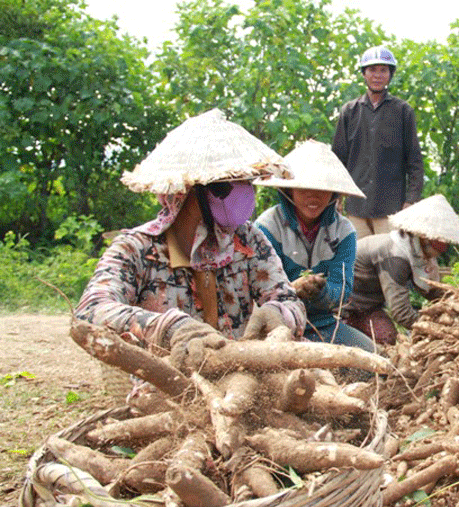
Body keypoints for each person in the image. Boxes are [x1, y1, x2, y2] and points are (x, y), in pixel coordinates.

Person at [74, 108, 307, 372]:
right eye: (227, 183)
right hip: (168, 381)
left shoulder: (248, 239)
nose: (244, 192)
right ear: (186, 191)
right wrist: (168, 328)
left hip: (243, 371)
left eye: (246, 181)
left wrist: (280, 314)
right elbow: (90, 312)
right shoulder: (136, 248)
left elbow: (289, 299)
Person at [254, 139, 375, 352]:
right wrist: (294, 289)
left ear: (334, 193)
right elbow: (260, 291)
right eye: (303, 188)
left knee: (371, 354)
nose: (313, 195)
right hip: (277, 324)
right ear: (289, 190)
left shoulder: (344, 232)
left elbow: (343, 291)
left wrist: (320, 292)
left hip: (322, 323)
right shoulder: (267, 227)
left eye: (322, 188)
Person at [343, 194, 459, 346]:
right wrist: (435, 328)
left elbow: (432, 290)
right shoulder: (395, 255)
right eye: (439, 244)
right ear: (424, 237)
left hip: (369, 308)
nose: (441, 250)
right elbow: (400, 312)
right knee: (385, 338)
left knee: (387, 336)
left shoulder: (417, 249)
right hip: (343, 307)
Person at [331, 45, 424, 238]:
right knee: (358, 262)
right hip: (356, 207)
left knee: (390, 262)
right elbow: (338, 159)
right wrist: (335, 197)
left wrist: (411, 201)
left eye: (383, 70)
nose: (377, 75)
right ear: (364, 74)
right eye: (372, 70)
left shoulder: (403, 111)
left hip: (391, 208)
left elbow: (414, 161)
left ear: (390, 75)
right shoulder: (349, 111)